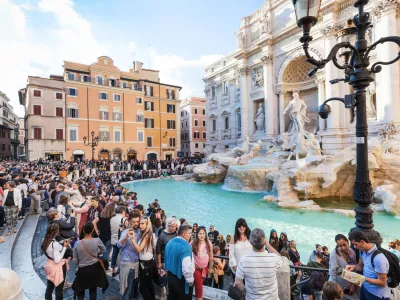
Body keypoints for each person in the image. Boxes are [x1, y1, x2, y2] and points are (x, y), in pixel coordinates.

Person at [235, 228, 284, 300]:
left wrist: (246, 291)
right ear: (264, 242)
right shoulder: (273, 258)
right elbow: (281, 258)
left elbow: (238, 283)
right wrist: (267, 244)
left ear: (251, 243)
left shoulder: (244, 261)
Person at [346, 230, 391, 300]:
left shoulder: (379, 258)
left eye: (355, 244)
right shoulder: (362, 251)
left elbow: (382, 282)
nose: (354, 247)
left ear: (362, 242)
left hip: (376, 294)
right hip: (365, 288)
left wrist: (363, 278)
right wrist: (353, 267)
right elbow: (360, 266)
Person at [72, 222, 108, 300]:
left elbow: (75, 261)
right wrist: (96, 254)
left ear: (83, 231)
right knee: (93, 290)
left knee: (81, 292)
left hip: (82, 271)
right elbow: (103, 250)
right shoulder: (97, 240)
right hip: (94, 269)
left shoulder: (77, 244)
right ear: (92, 231)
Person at [164, 224, 195, 300]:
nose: (190, 236)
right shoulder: (186, 247)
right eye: (189, 233)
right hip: (181, 280)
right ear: (184, 234)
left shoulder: (170, 243)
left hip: (170, 277)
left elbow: (166, 259)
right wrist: (190, 280)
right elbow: (186, 268)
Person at [129, 216, 156, 300]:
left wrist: (132, 239)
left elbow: (139, 249)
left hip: (147, 264)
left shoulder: (147, 235)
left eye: (142, 223)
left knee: (142, 289)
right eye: (140, 223)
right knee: (149, 286)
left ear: (147, 224)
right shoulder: (146, 233)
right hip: (148, 263)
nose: (140, 225)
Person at [42, 223, 70, 300]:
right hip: (58, 269)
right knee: (59, 290)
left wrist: (60, 244)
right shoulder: (55, 244)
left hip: (49, 265)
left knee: (49, 288)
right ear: (56, 232)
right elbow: (57, 260)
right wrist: (64, 247)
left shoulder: (44, 241)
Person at [117, 212, 141, 300]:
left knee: (131, 288)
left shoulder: (139, 232)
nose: (136, 224)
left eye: (137, 222)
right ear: (130, 221)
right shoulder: (125, 232)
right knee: (127, 289)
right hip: (128, 264)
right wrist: (126, 237)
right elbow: (119, 245)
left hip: (136, 265)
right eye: (134, 222)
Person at [329, 234, 358, 300]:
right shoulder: (334, 254)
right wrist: (334, 290)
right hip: (338, 285)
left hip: (350, 283)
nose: (343, 248)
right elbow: (332, 272)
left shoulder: (352, 252)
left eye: (344, 245)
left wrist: (354, 285)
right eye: (340, 246)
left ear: (348, 242)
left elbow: (355, 269)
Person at [191, 225, 213, 300]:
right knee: (199, 287)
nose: (202, 235)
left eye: (203, 233)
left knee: (199, 284)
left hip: (205, 269)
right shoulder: (193, 243)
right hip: (196, 269)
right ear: (197, 234)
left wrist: (210, 268)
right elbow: (188, 254)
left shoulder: (208, 243)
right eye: (200, 233)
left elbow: (211, 256)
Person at [110, 205, 127, 277]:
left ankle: (113, 270)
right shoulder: (124, 219)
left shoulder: (112, 218)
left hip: (113, 239)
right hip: (121, 240)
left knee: (114, 254)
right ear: (123, 211)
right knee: (121, 255)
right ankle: (120, 270)